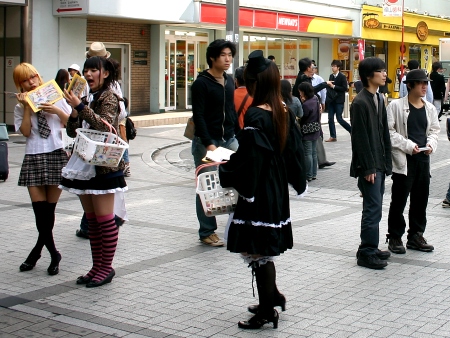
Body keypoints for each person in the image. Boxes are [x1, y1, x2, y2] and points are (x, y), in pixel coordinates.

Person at [218, 50, 307, 330]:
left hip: (258, 189)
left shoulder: (257, 114)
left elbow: (250, 158)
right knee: (262, 248)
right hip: (276, 188)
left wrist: (224, 168)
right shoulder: (284, 110)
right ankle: (273, 296)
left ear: (255, 84)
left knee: (257, 250)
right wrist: (298, 182)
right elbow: (295, 154)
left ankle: (267, 311)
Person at [61, 56, 127, 287]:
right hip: (85, 164)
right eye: (86, 70)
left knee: (105, 220)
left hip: (105, 166)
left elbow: (105, 125)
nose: (88, 74)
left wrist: (81, 107)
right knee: (92, 221)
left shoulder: (109, 96)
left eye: (93, 70)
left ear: (105, 73)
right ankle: (96, 266)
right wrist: (74, 111)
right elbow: (72, 131)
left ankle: (106, 268)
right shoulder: (88, 97)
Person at [13, 63, 71, 275]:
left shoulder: (54, 95)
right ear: (20, 85)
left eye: (33, 77)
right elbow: (26, 132)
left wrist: (55, 108)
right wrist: (28, 106)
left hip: (56, 154)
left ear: (39, 77)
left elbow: (70, 124)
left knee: (49, 211)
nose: (31, 82)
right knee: (40, 212)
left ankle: (37, 252)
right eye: (25, 80)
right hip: (34, 156)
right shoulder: (20, 107)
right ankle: (54, 253)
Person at [386, 69, 440, 254]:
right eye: (420, 83)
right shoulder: (395, 106)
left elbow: (434, 130)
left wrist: (431, 144)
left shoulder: (430, 108)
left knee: (420, 200)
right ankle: (394, 236)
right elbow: (389, 133)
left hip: (423, 160)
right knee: (399, 200)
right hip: (403, 161)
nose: (425, 86)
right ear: (409, 85)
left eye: (426, 83)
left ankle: (416, 235)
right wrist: (409, 146)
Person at [191, 39, 238, 247]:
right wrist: (209, 144)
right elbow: (198, 116)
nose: (228, 59)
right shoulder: (201, 83)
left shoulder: (229, 80)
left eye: (230, 55)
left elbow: (231, 110)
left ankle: (237, 224)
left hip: (229, 139)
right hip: (207, 143)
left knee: (240, 177)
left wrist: (237, 134)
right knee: (207, 186)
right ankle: (207, 231)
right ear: (212, 57)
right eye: (223, 55)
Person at [350, 57, 392, 270]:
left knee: (375, 207)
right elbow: (359, 138)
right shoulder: (360, 102)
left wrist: (387, 163)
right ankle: (366, 252)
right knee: (372, 208)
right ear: (369, 76)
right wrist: (367, 167)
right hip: (369, 165)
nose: (384, 74)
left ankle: (370, 247)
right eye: (380, 71)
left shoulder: (379, 99)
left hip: (379, 163)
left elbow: (384, 132)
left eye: (384, 71)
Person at [311, 61, 336, 169]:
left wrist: (322, 102)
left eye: (315, 67)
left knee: (317, 132)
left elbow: (323, 92)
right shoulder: (302, 79)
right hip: (307, 110)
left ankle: (320, 160)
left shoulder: (318, 78)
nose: (314, 69)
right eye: (312, 67)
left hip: (315, 107)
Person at [299, 82, 320, 181]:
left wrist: (303, 103)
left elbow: (303, 117)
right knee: (314, 152)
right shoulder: (315, 99)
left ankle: (308, 174)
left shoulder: (306, 104)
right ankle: (314, 173)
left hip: (307, 130)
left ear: (304, 92)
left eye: (300, 91)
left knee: (308, 153)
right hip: (315, 128)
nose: (300, 94)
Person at [325, 60, 351, 142]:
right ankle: (333, 136)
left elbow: (344, 88)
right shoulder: (331, 76)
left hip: (339, 100)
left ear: (338, 67)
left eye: (334, 66)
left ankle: (351, 130)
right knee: (330, 118)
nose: (332, 68)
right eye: (332, 66)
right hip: (331, 100)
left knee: (339, 118)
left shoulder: (342, 76)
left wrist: (334, 86)